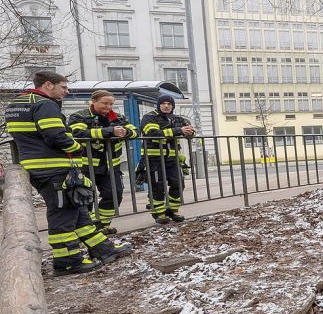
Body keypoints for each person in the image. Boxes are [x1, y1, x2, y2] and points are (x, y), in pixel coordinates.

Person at [5, 71, 132, 275]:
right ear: (48, 85)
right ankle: (67, 260)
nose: (67, 91)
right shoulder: (44, 104)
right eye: (63, 87)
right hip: (53, 167)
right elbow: (56, 136)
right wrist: (77, 148)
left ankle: (103, 249)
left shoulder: (16, 104)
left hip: (39, 165)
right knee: (62, 213)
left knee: (78, 210)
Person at [68, 90, 138, 235]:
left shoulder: (117, 117)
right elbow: (77, 134)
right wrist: (108, 132)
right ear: (93, 101)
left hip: (111, 165)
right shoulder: (79, 116)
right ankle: (86, 229)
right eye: (104, 103)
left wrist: (125, 132)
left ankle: (100, 224)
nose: (108, 107)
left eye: (111, 103)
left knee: (115, 194)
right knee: (86, 197)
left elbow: (135, 131)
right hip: (86, 166)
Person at [140, 95, 195, 224]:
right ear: (158, 105)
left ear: (172, 106)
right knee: (157, 186)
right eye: (163, 103)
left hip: (172, 158)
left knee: (178, 184)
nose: (166, 106)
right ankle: (159, 213)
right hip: (154, 159)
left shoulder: (177, 119)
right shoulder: (149, 117)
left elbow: (191, 132)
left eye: (169, 104)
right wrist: (178, 130)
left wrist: (189, 132)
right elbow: (152, 133)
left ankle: (172, 210)